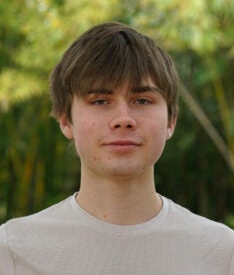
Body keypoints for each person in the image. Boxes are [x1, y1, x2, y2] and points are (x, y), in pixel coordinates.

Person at [0, 22, 233, 275]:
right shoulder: (12, 251)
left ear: (171, 120)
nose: (123, 118)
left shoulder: (221, 253)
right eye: (100, 101)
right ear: (65, 120)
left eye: (142, 100)